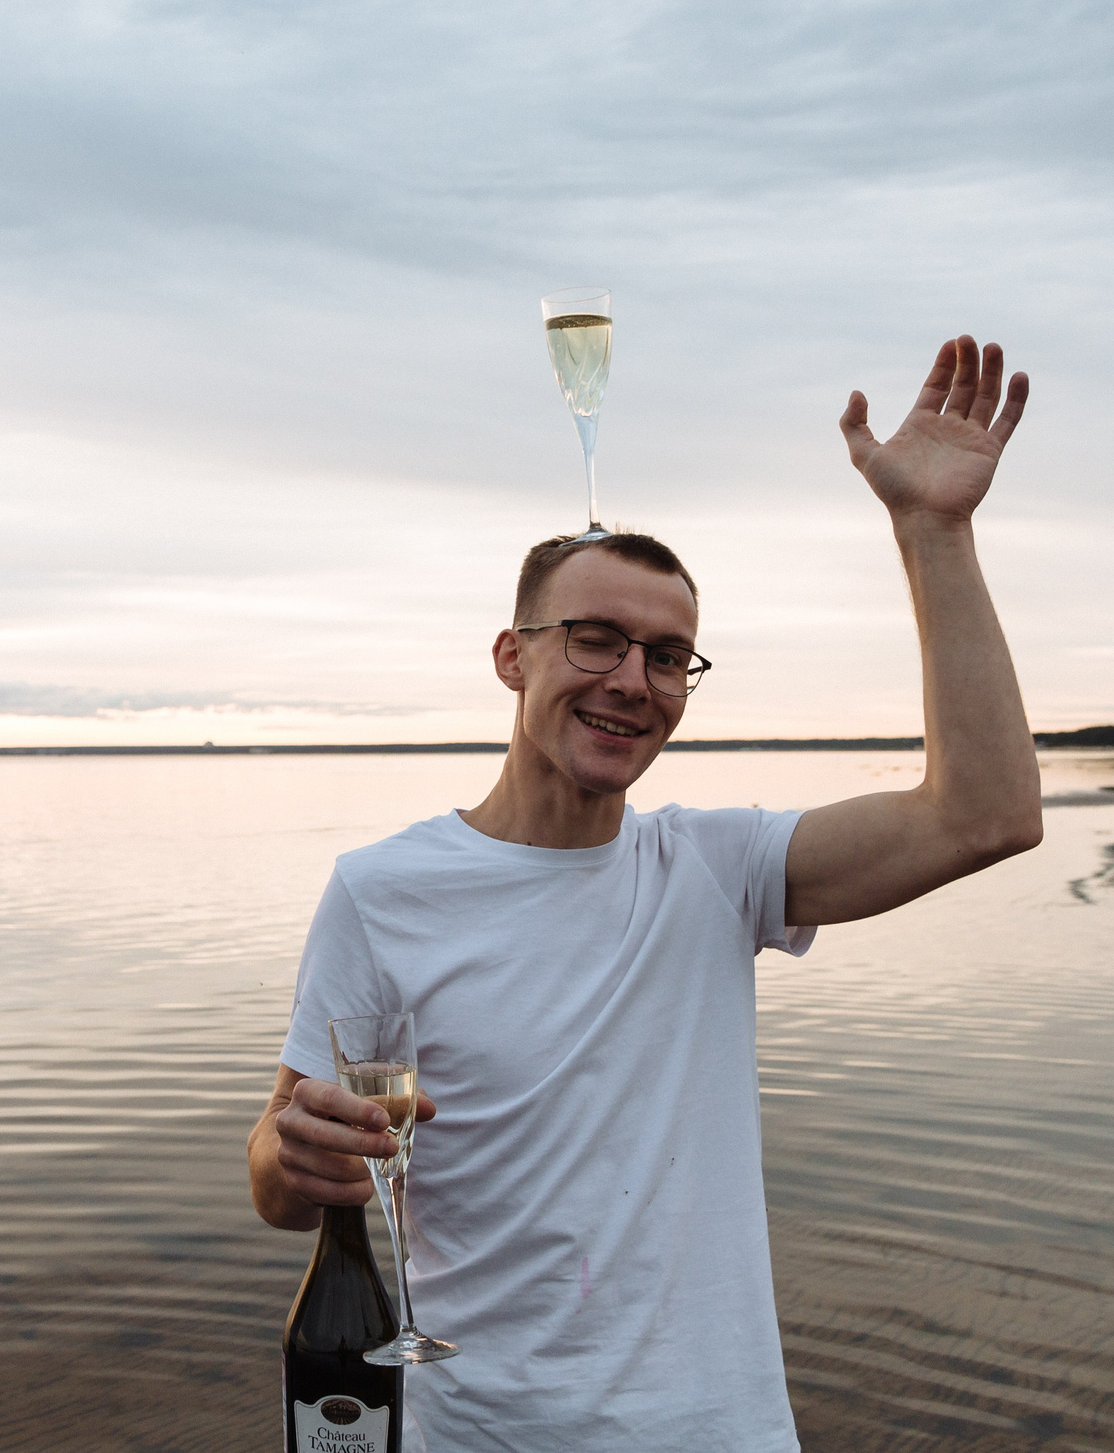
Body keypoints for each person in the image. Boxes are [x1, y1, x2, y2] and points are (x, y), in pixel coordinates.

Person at [248, 337, 1044, 1451]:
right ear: (510, 657)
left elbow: (987, 815)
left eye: (669, 656)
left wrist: (934, 531)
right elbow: (278, 1181)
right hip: (474, 1435)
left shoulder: (719, 872)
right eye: (595, 639)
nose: (633, 681)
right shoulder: (383, 892)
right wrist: (298, 1153)